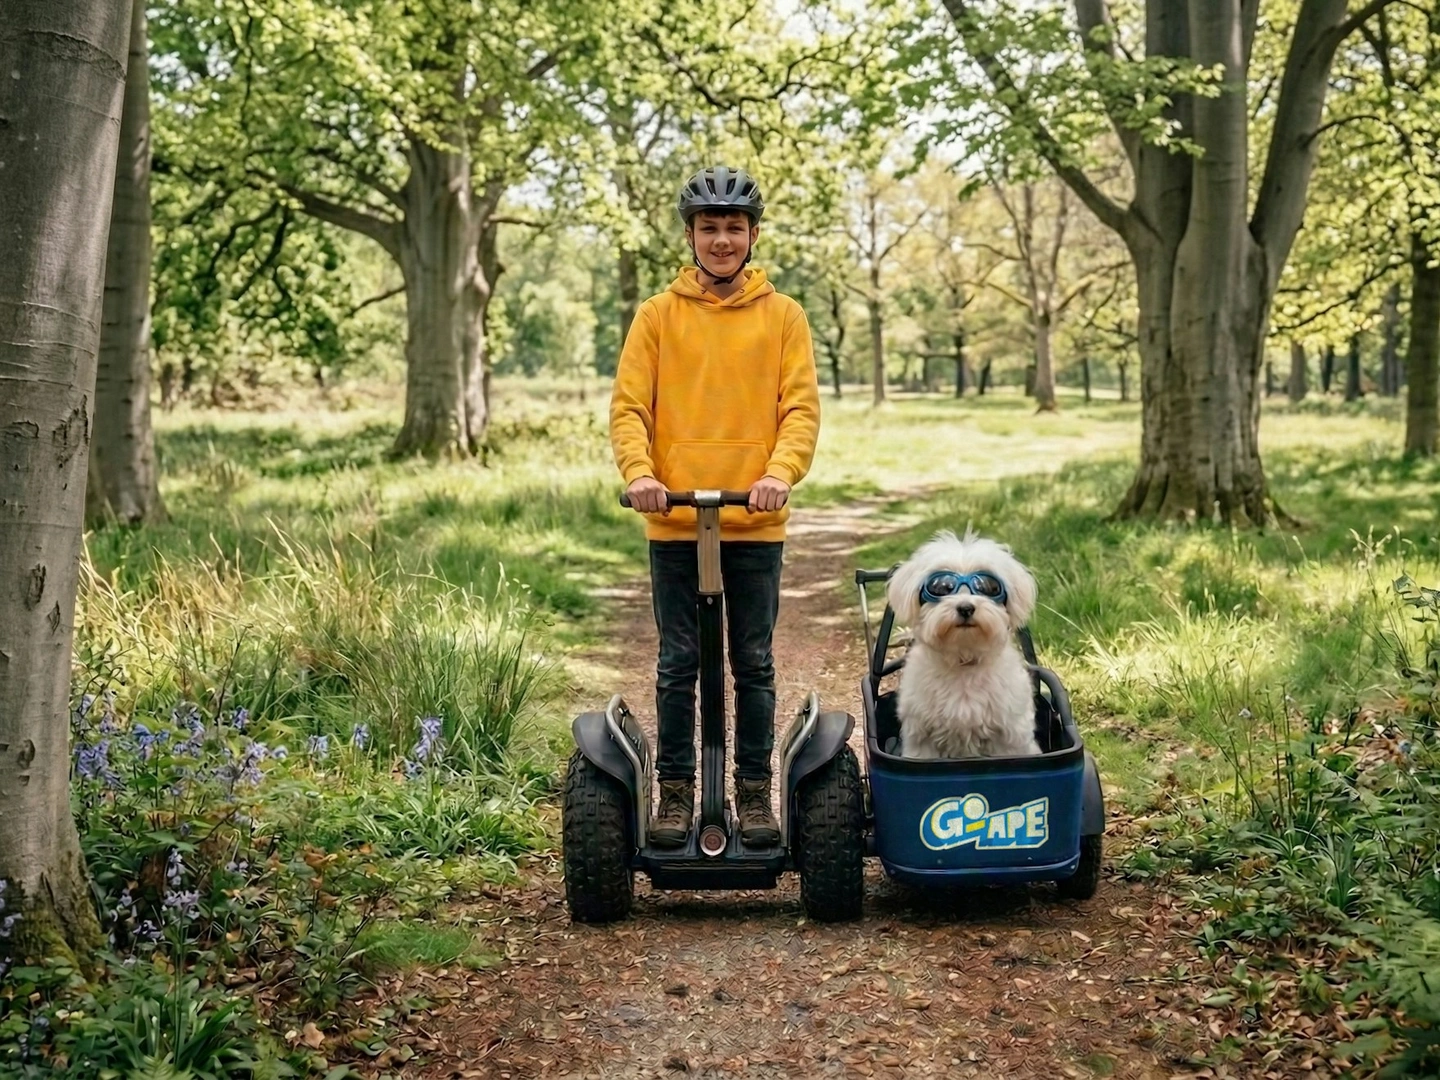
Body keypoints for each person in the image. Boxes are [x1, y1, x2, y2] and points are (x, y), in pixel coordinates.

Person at [609, 165, 821, 848]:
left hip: (754, 520)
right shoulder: (658, 316)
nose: (722, 239)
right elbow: (629, 407)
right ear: (692, 235)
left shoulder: (784, 316)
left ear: (753, 235)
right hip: (674, 520)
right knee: (677, 663)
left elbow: (801, 412)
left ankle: (754, 795)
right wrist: (641, 474)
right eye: (710, 227)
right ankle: (674, 794)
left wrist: (779, 474)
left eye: (734, 227)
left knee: (752, 662)